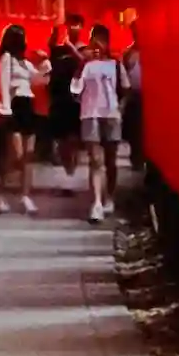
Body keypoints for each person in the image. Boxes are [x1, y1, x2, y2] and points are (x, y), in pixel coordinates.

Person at [71, 23, 128, 223]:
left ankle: (109, 196)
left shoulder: (115, 64)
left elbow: (125, 89)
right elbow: (75, 89)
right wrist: (81, 65)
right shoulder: (86, 66)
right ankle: (96, 203)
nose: (97, 45)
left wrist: (120, 109)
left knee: (110, 160)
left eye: (101, 41)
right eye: (94, 40)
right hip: (90, 114)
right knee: (96, 160)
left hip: (111, 114)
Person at [0, 24, 43, 214]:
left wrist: (45, 62)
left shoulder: (24, 62)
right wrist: (6, 108)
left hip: (28, 104)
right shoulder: (6, 58)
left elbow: (38, 79)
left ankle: (25, 196)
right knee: (15, 155)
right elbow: (3, 84)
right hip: (15, 105)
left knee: (28, 155)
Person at [45, 14, 86, 194]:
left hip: (75, 99)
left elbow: (85, 63)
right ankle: (68, 174)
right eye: (70, 25)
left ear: (82, 27)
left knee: (73, 139)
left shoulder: (84, 49)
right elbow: (51, 45)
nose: (73, 27)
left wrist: (72, 48)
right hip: (58, 98)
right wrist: (56, 28)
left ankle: (72, 174)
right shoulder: (59, 49)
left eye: (77, 25)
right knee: (61, 140)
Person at [121, 19, 144, 172]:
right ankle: (136, 157)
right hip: (134, 95)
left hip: (151, 96)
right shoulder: (128, 53)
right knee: (134, 129)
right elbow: (124, 76)